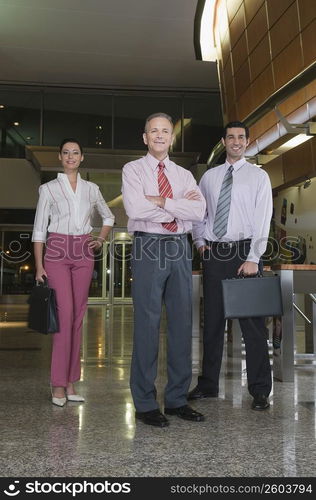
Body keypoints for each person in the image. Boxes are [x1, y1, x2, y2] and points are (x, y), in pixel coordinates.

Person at [122, 112, 206, 427]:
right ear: (145, 138)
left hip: (179, 247)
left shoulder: (184, 174)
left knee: (182, 322)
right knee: (147, 323)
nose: (159, 135)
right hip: (147, 245)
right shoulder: (132, 170)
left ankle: (176, 399)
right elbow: (134, 208)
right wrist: (175, 205)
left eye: (165, 131)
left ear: (172, 137)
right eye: (153, 131)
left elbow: (198, 211)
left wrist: (161, 201)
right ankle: (144, 403)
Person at [189, 121, 273, 410]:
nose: (236, 141)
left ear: (247, 142)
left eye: (241, 137)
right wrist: (201, 245)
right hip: (215, 254)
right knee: (212, 322)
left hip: (245, 253)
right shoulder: (209, 178)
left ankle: (260, 390)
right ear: (223, 142)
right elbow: (199, 215)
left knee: (252, 325)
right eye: (231, 137)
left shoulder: (258, 176)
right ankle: (209, 384)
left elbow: (264, 217)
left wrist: (253, 257)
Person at [32, 138, 115, 407]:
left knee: (78, 317)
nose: (70, 156)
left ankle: (70, 382)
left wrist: (100, 239)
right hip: (56, 249)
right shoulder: (48, 189)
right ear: (59, 157)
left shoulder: (92, 189)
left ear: (82, 158)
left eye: (75, 153)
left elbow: (109, 217)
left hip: (83, 250)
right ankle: (57, 383)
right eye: (65, 152)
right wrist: (39, 265)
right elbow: (38, 230)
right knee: (64, 315)